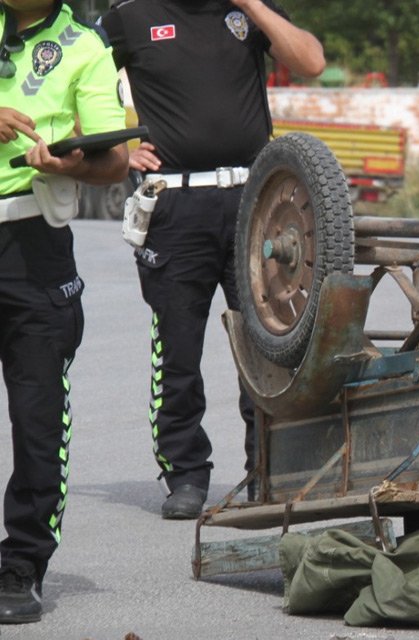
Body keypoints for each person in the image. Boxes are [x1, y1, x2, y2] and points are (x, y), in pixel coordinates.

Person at [99, 0, 323, 519]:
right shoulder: (130, 17)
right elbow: (78, 80)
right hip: (176, 204)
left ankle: (266, 470)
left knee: (269, 346)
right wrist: (116, 151)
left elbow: (311, 61)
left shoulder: (246, 12)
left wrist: (252, 5)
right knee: (178, 350)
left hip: (256, 200)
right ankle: (185, 475)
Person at [1, 0, 130, 622]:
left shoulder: (86, 48)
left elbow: (115, 162)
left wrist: (68, 162)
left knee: (37, 416)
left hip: (32, 244)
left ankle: (21, 563)